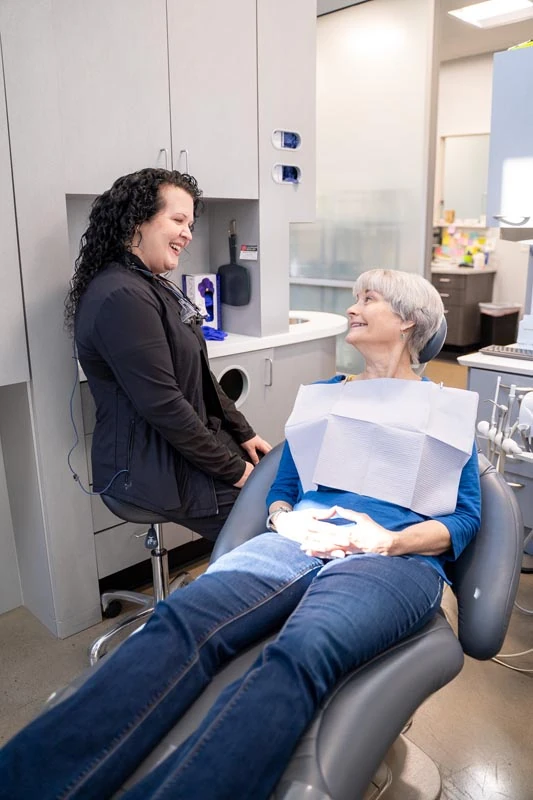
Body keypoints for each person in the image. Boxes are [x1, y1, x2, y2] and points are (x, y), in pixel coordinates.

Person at [0, 270, 481, 800]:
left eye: (367, 299)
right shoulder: (326, 397)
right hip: (298, 538)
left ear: (409, 320)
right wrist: (283, 519)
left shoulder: (443, 413)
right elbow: (288, 484)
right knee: (181, 620)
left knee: (303, 650)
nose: (352, 309)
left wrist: (385, 541)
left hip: (390, 561)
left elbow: (462, 519)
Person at [66, 168, 271, 540]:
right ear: (136, 222)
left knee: (278, 489)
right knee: (269, 522)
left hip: (178, 445)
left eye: (190, 224)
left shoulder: (150, 285)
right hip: (149, 466)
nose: (187, 234)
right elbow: (166, 407)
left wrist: (244, 432)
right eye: (178, 220)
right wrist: (238, 472)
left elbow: (201, 376)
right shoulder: (120, 296)